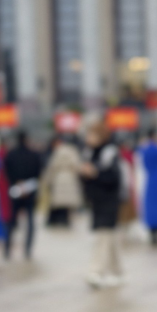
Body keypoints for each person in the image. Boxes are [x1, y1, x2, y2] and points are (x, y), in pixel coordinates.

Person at [79, 120, 123, 287]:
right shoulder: (89, 153)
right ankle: (118, 272)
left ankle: (96, 271)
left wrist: (95, 172)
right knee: (109, 237)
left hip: (109, 200)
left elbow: (114, 178)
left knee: (102, 235)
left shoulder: (110, 153)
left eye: (91, 135)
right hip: (96, 200)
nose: (88, 138)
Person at [3, 131, 42, 260]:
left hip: (14, 190)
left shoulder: (11, 154)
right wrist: (26, 186)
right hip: (30, 191)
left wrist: (17, 183)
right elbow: (38, 171)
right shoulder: (34, 154)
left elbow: (6, 170)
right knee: (30, 221)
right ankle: (28, 249)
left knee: (11, 221)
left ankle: (7, 249)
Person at [42, 136, 83, 225]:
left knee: (57, 202)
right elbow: (77, 165)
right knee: (67, 203)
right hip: (70, 178)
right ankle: (65, 220)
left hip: (58, 177)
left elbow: (52, 167)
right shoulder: (73, 151)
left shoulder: (57, 151)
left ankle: (57, 221)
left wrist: (47, 180)